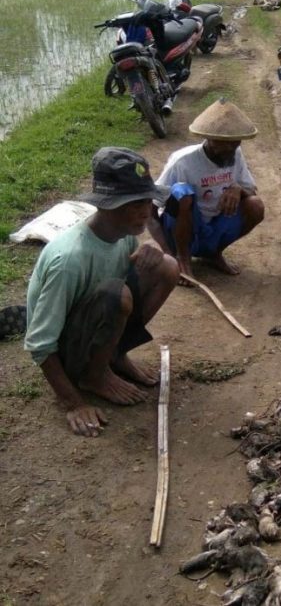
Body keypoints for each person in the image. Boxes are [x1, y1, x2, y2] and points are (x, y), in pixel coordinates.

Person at [24, 148, 179, 436]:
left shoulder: (121, 237)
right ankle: (94, 377)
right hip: (65, 351)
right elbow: (39, 343)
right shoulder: (69, 260)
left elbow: (139, 276)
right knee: (116, 295)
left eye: (147, 201)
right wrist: (72, 403)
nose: (146, 211)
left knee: (167, 266)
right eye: (134, 204)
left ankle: (114, 356)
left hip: (94, 329)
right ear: (107, 205)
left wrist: (151, 252)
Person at [149, 98, 265, 285]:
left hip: (213, 227)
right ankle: (183, 259)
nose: (230, 150)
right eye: (224, 144)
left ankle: (213, 252)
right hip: (180, 229)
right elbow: (150, 209)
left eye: (235, 144)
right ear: (209, 139)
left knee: (255, 205)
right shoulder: (183, 162)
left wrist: (238, 189)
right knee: (183, 193)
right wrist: (167, 254)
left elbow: (251, 189)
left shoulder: (235, 154)